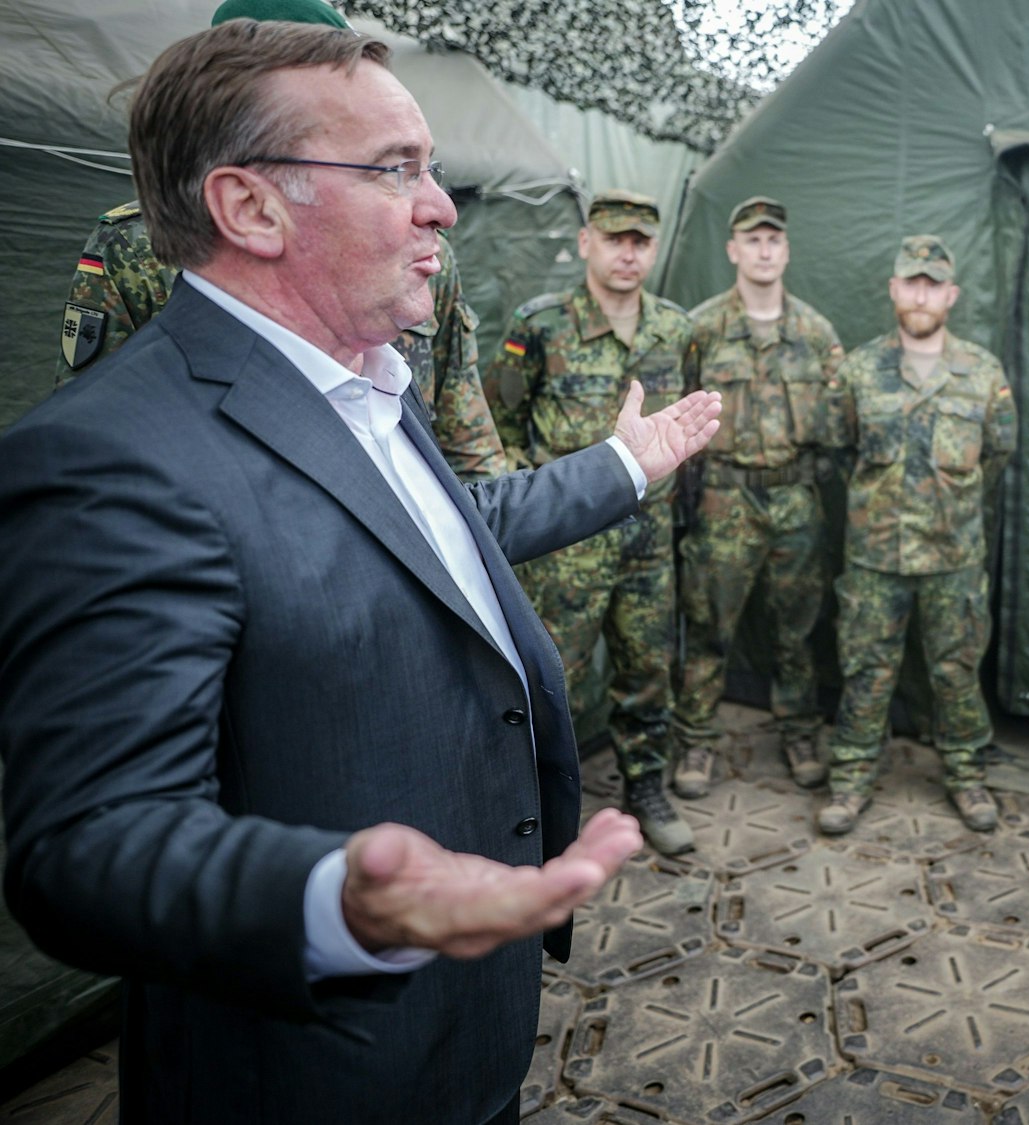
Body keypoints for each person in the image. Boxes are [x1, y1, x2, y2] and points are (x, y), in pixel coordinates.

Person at [0, 21, 720, 1125]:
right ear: (252, 208)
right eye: (396, 169)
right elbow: (87, 846)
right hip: (311, 1067)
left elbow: (440, 535)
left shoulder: (365, 381)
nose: (442, 205)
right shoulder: (112, 456)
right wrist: (339, 900)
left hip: (463, 1023)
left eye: (429, 165)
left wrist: (628, 463)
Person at [52, 0, 507, 481]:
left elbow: (465, 438)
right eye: (394, 169)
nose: (441, 212)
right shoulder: (135, 246)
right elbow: (97, 434)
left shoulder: (422, 253)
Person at [486, 190, 700, 856]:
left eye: (640, 241)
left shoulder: (676, 329)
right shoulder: (540, 324)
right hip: (566, 547)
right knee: (555, 680)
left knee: (646, 668)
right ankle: (541, 813)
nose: (628, 252)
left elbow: (684, 424)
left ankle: (646, 786)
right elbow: (503, 425)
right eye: (615, 239)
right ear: (586, 243)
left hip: (645, 541)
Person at [819, 235, 1018, 835]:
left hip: (952, 556)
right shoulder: (858, 369)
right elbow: (837, 448)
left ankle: (966, 774)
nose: (922, 293)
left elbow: (999, 453)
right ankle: (850, 779)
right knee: (865, 669)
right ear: (894, 289)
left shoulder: (982, 371)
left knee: (957, 669)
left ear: (952, 294)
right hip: (875, 556)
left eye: (934, 283)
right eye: (912, 281)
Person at [676, 196, 845, 795]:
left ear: (787, 250)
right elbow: (679, 416)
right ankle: (695, 741)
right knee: (707, 628)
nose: (764, 250)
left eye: (774, 239)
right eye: (753, 240)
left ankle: (799, 731)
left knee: (798, 631)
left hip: (797, 500)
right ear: (733, 251)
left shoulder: (816, 333)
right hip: (724, 500)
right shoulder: (700, 329)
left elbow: (836, 424)